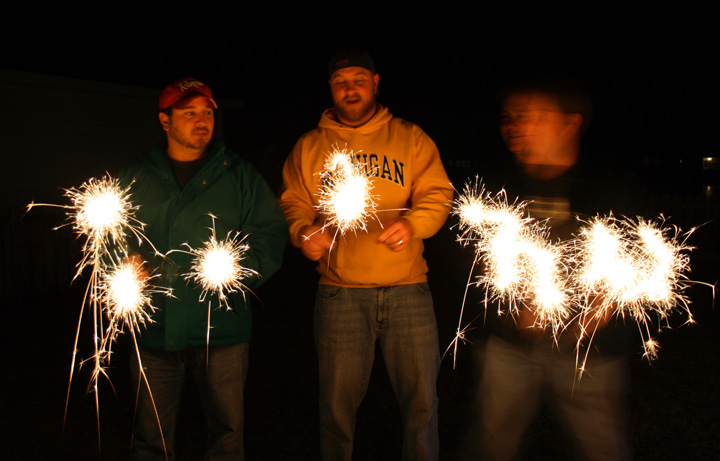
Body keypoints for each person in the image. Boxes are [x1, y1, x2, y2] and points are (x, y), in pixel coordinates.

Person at [278, 49, 453, 460]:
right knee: (336, 407)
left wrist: (412, 225)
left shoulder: (410, 137)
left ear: (376, 83)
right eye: (341, 81)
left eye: (359, 79)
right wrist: (303, 232)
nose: (350, 88)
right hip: (340, 295)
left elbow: (438, 194)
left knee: (422, 403)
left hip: (408, 290)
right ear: (331, 89)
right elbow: (293, 202)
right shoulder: (309, 146)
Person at [119, 78, 287, 460]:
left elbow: (270, 231)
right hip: (155, 331)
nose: (201, 121)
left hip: (222, 332)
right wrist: (122, 262)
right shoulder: (138, 175)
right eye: (189, 112)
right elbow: (108, 233)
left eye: (208, 113)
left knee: (227, 436)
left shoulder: (239, 175)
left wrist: (239, 270)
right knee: (151, 439)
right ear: (165, 121)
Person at [464, 79, 632, 460]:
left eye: (533, 116)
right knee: (493, 441)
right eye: (511, 117)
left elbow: (627, 269)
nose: (516, 127)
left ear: (570, 124)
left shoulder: (603, 188)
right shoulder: (498, 185)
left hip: (587, 355)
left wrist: (584, 320)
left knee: (602, 446)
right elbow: (477, 261)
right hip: (508, 349)